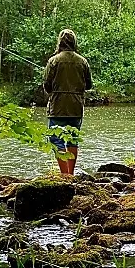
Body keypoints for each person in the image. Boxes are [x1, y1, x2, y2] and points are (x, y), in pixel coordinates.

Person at [43, 29, 93, 176]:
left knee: (56, 140)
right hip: (76, 107)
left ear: (60, 42)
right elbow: (89, 85)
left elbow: (47, 85)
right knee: (72, 140)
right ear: (74, 42)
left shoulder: (53, 61)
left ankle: (64, 174)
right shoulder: (83, 61)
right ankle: (70, 174)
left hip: (57, 107)